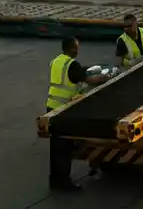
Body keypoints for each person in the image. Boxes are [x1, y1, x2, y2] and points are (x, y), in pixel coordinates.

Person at [46, 36, 107, 192]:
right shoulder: (72, 64)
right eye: (77, 47)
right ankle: (64, 182)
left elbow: (73, 75)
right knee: (65, 149)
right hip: (64, 110)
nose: (78, 49)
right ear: (72, 48)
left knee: (55, 148)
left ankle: (54, 180)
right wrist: (103, 78)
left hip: (51, 108)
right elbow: (89, 80)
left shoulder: (56, 61)